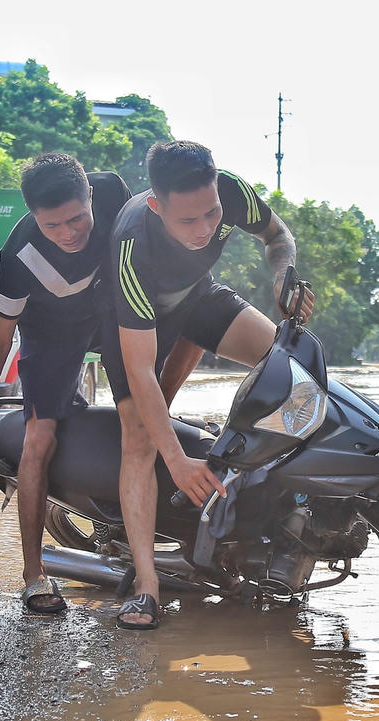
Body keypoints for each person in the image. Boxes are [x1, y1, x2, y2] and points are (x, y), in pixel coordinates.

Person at [101, 140, 315, 630]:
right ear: (157, 207)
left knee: (289, 365)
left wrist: (284, 277)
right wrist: (176, 461)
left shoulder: (232, 191)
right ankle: (146, 589)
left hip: (197, 297)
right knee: (138, 439)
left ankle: (291, 508)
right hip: (137, 319)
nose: (204, 230)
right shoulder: (132, 246)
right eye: (187, 222)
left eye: (211, 215)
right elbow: (140, 371)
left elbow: (278, 235)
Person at [0, 153, 130, 614]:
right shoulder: (18, 255)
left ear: (91, 195)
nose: (70, 233)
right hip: (51, 334)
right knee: (40, 438)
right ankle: (35, 575)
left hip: (112, 314)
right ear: (34, 217)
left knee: (142, 417)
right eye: (53, 226)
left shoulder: (115, 194)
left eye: (77, 218)